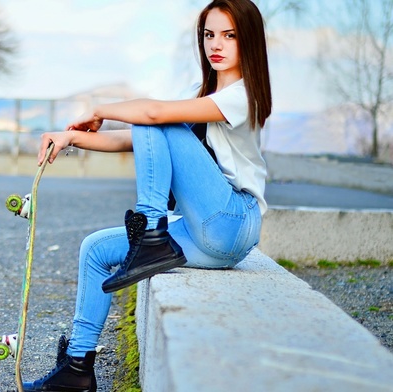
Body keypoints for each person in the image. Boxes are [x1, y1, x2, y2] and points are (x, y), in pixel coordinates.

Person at [22, 0, 272, 391]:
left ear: (249, 41)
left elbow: (152, 119)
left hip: (233, 219)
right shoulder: (201, 94)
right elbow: (139, 137)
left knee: (151, 116)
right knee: (95, 249)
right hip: (204, 232)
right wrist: (72, 137)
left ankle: (150, 231)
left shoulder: (243, 95)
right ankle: (77, 368)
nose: (216, 44)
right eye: (209, 34)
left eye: (229, 35)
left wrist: (101, 108)